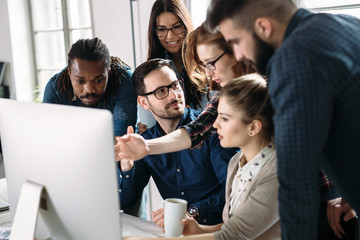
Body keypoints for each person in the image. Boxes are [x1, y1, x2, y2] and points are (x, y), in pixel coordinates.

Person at [206, 0, 360, 239]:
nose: (238, 55)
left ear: (263, 27)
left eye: (236, 42)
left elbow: (295, 185)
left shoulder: (293, 60)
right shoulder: (345, 25)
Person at [124, 73, 280, 240]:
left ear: (253, 127)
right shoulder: (237, 163)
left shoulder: (274, 173)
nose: (215, 124)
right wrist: (199, 229)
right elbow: (231, 226)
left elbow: (234, 235)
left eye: (225, 118)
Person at [119, 58, 238, 225]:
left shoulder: (212, 128)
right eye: (161, 91)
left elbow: (235, 189)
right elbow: (126, 202)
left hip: (221, 229)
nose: (174, 95)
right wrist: (126, 165)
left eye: (175, 85)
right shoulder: (145, 142)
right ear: (143, 102)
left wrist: (193, 211)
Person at [115, 23, 255, 161]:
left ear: (236, 50)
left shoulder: (269, 87)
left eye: (211, 63)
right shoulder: (225, 94)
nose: (208, 74)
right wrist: (146, 146)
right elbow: (197, 130)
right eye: (204, 65)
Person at [43, 37, 137, 136]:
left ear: (108, 74)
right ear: (69, 73)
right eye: (80, 81)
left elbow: (121, 138)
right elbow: (51, 136)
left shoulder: (123, 79)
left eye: (99, 80)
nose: (89, 89)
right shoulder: (55, 88)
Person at [147, 0, 205, 110]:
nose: (170, 36)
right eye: (162, 29)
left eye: (176, 27)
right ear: (154, 32)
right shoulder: (151, 70)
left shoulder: (204, 59)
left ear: (186, 26)